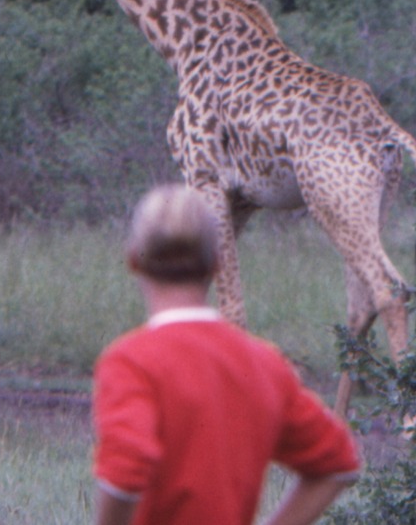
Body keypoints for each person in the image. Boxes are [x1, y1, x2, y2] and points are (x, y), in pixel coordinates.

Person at [92, 184, 362, 525]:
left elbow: (125, 469)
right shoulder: (263, 363)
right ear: (217, 263)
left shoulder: (130, 361)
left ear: (134, 259)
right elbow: (338, 462)